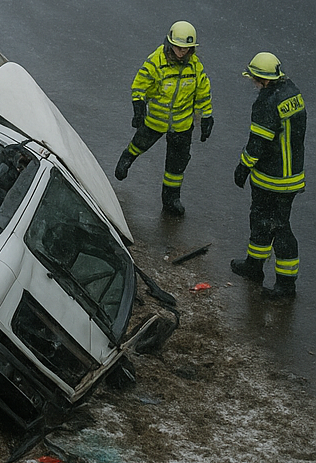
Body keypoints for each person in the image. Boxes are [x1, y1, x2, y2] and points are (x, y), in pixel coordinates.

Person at [114, 20, 212, 217]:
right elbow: (139, 85)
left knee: (176, 166)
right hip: (156, 120)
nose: (182, 52)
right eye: (178, 47)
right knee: (140, 143)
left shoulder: (195, 66)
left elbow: (203, 92)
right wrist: (139, 108)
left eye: (186, 48)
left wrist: (207, 116)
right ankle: (127, 158)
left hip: (182, 125)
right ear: (170, 43)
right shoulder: (156, 61)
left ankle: (171, 200)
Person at [230, 53, 305, 301]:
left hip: (273, 179)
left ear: (262, 79)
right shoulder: (292, 93)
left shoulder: (266, 103)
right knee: (262, 221)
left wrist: (243, 166)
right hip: (291, 175)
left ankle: (285, 285)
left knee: (278, 228)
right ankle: (254, 265)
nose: (253, 83)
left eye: (254, 78)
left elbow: (258, 143)